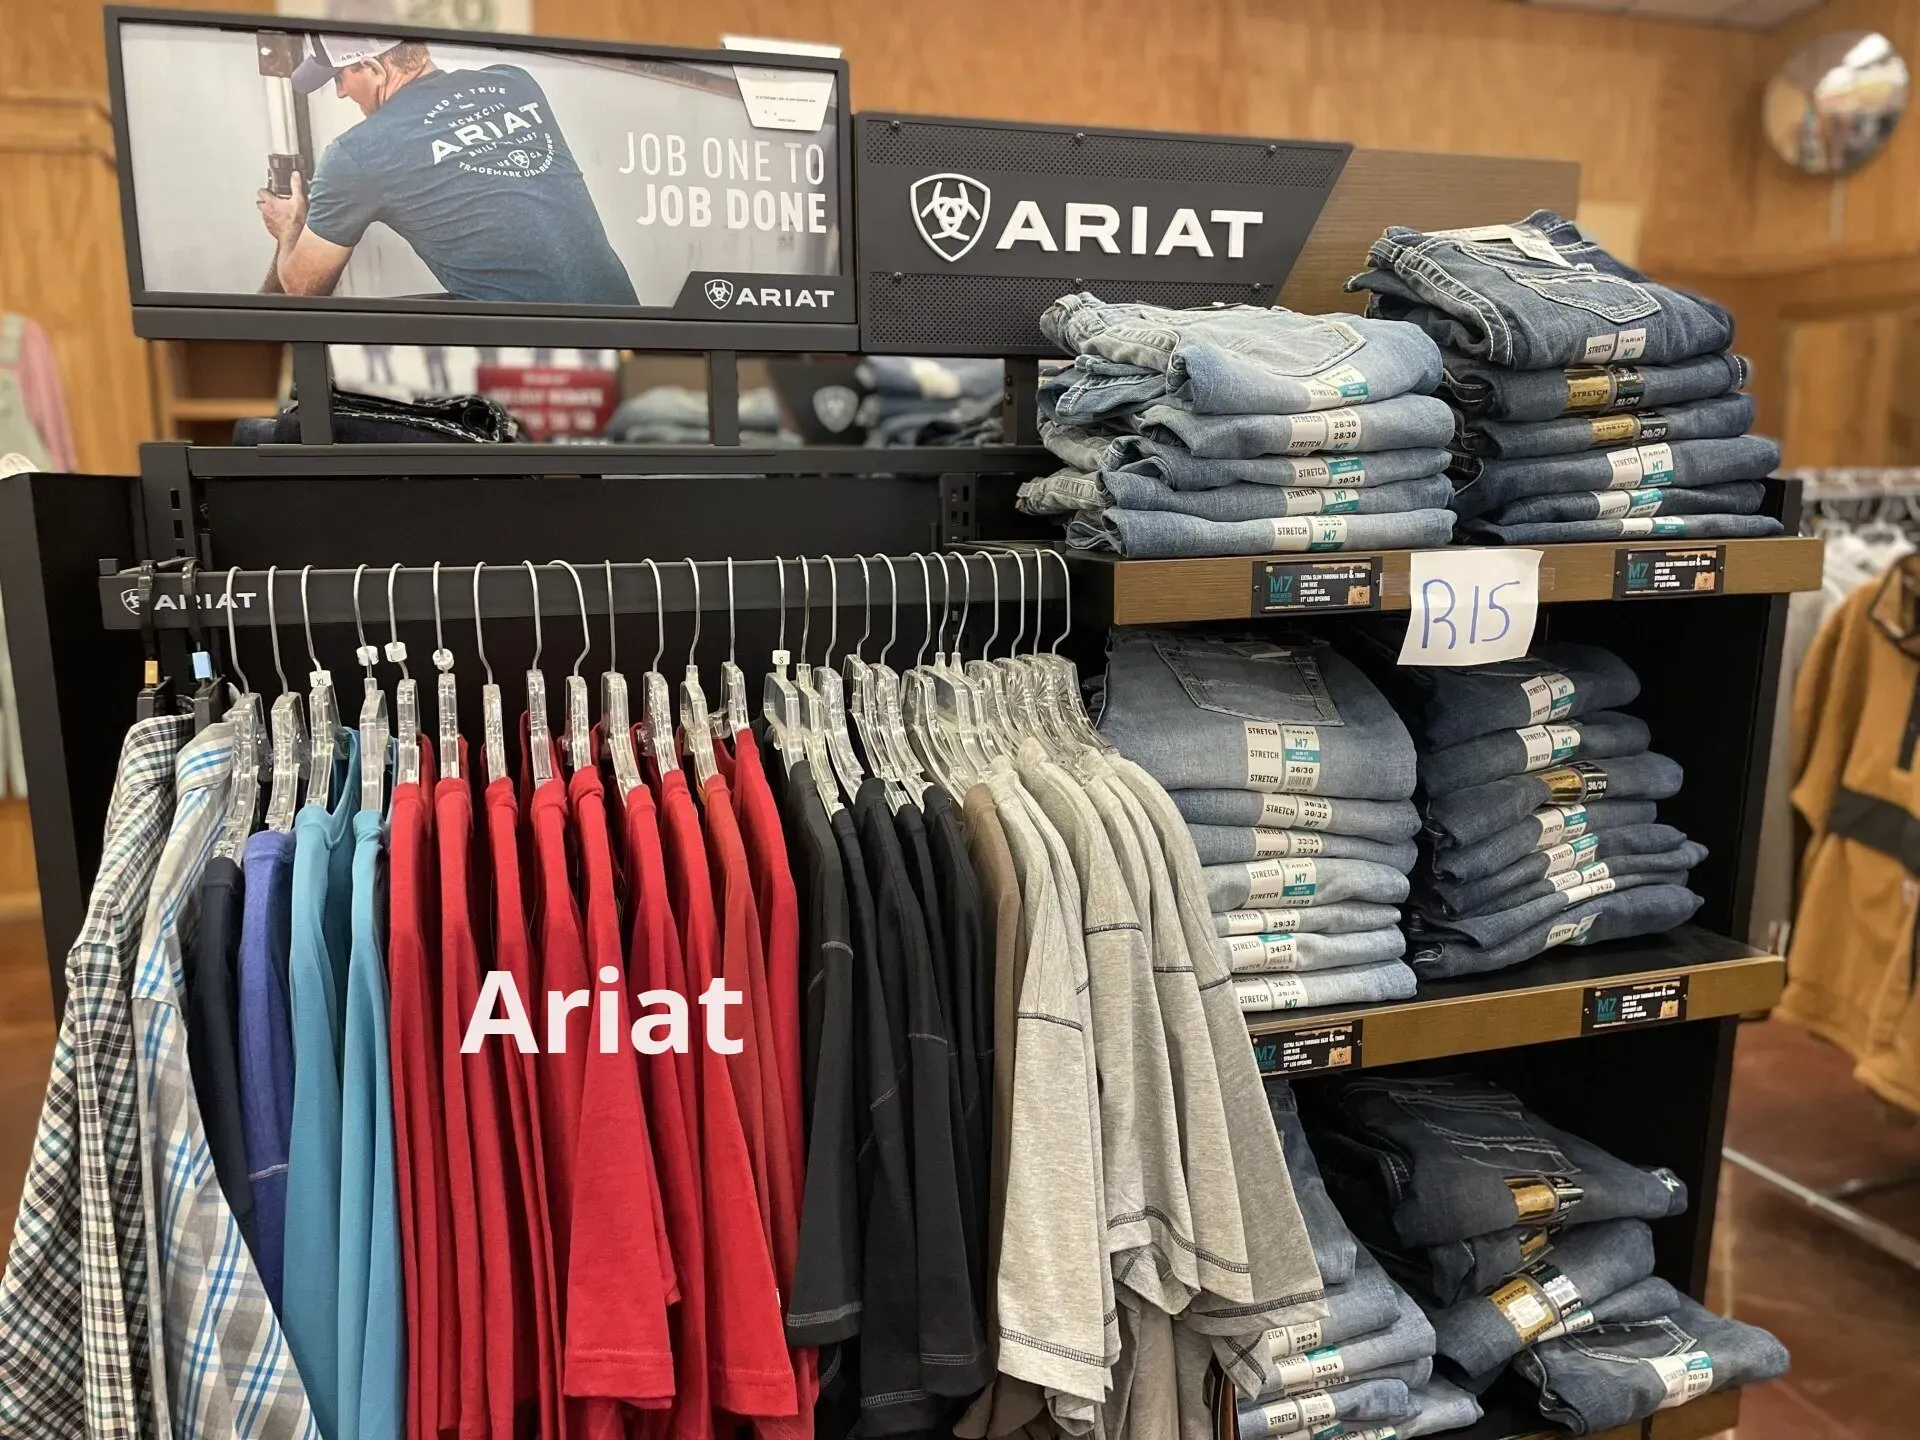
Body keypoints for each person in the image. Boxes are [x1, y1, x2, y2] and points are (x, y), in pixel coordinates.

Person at [256, 35, 638, 305]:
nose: (339, 92)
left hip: (539, 364)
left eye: (339, 77)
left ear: (371, 66)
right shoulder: (516, 83)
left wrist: (290, 229)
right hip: (626, 322)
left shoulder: (355, 153)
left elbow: (303, 291)